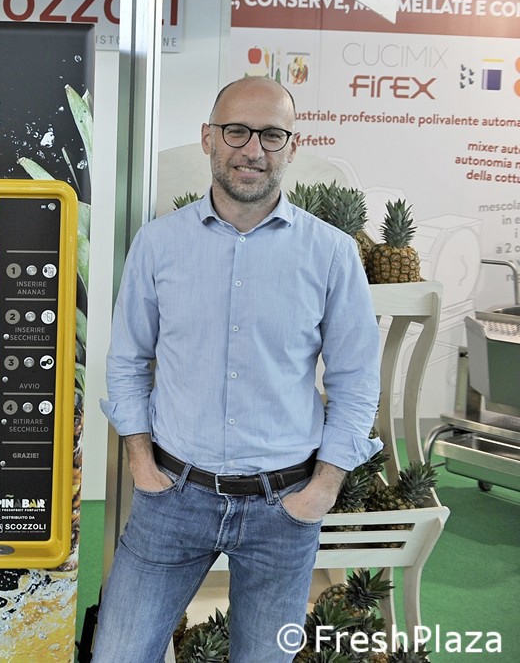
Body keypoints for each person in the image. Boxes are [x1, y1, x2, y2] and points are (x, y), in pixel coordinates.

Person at [92, 77, 381, 662]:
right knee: (118, 655)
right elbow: (127, 360)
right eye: (237, 132)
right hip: (172, 497)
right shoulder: (158, 244)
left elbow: (355, 379)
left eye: (272, 135)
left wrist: (323, 490)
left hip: (284, 507)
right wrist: (141, 463)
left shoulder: (331, 253)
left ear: (292, 146)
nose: (253, 150)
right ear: (208, 138)